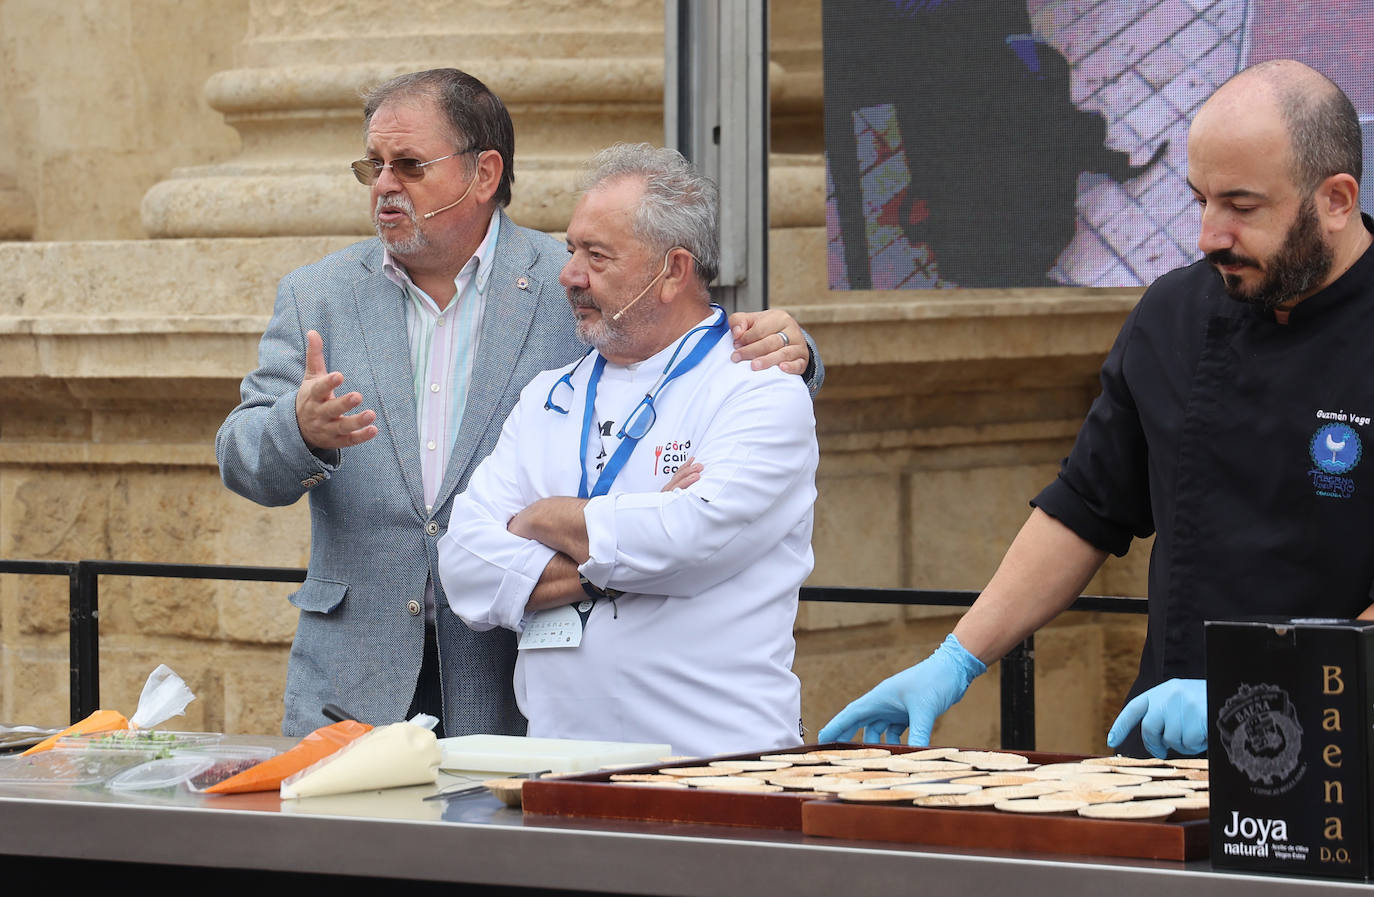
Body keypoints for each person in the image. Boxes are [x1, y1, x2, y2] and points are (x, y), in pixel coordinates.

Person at [216, 69, 823, 738]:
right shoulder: (319, 295)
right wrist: (300, 431)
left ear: (484, 174)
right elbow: (242, 458)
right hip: (353, 681)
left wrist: (801, 354)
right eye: (374, 166)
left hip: (505, 690)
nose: (385, 185)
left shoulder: (570, 277)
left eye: (410, 165)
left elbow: (684, 338)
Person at [820, 58, 1374, 758]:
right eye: (1199, 199)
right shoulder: (1172, 315)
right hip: (1174, 752)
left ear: (1336, 199)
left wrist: (1265, 685)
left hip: (1342, 756)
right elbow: (1084, 508)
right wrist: (957, 657)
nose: (1209, 235)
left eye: (1241, 207)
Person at [437, 144, 818, 757]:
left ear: (673, 271)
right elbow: (464, 570)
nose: (570, 275)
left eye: (597, 255)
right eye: (570, 250)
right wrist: (622, 554)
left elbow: (691, 534)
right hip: (556, 763)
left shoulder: (758, 387)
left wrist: (544, 519)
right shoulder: (547, 396)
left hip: (715, 762)